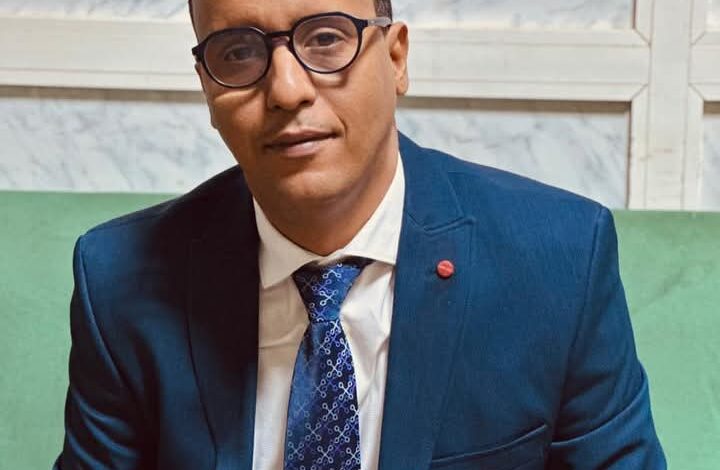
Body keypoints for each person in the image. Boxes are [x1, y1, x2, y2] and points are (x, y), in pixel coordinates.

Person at [53, 0, 666, 468]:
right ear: (208, 87)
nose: (287, 90)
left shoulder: (559, 260)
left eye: (325, 39)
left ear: (396, 58)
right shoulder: (122, 280)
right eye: (238, 53)